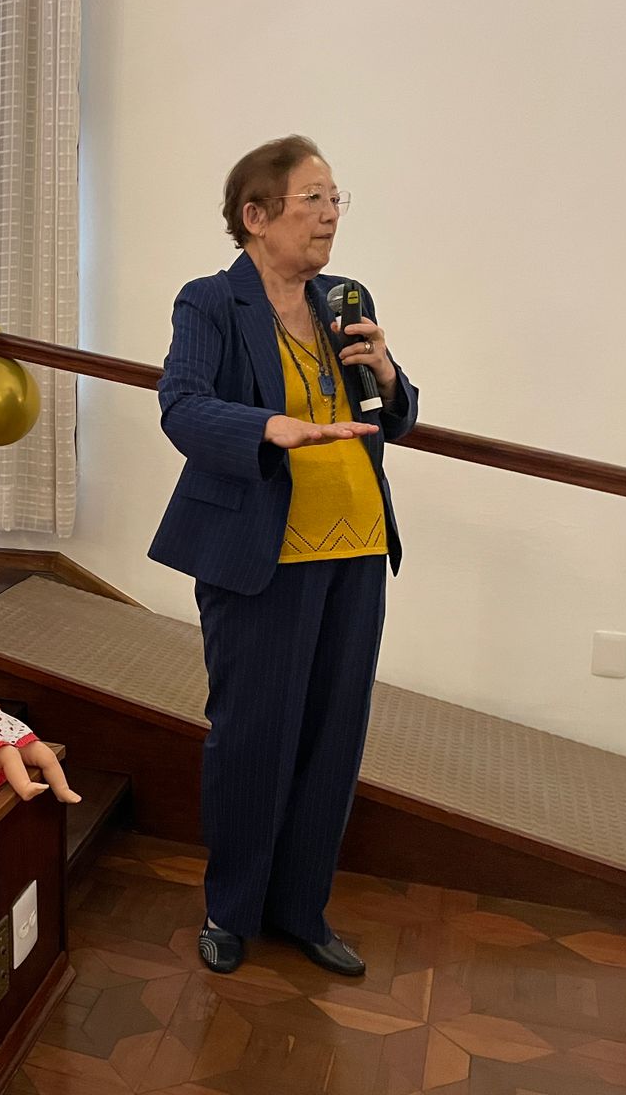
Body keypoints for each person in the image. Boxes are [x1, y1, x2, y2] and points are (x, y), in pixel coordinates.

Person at [148, 135, 418, 977]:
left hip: (357, 549)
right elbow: (181, 405)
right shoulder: (211, 302)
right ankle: (231, 910)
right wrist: (268, 426)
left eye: (337, 198)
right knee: (253, 737)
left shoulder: (344, 299)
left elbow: (392, 416)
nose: (331, 214)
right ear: (256, 215)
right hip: (262, 553)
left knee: (334, 737)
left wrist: (390, 375)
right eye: (313, 199)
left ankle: (302, 908)